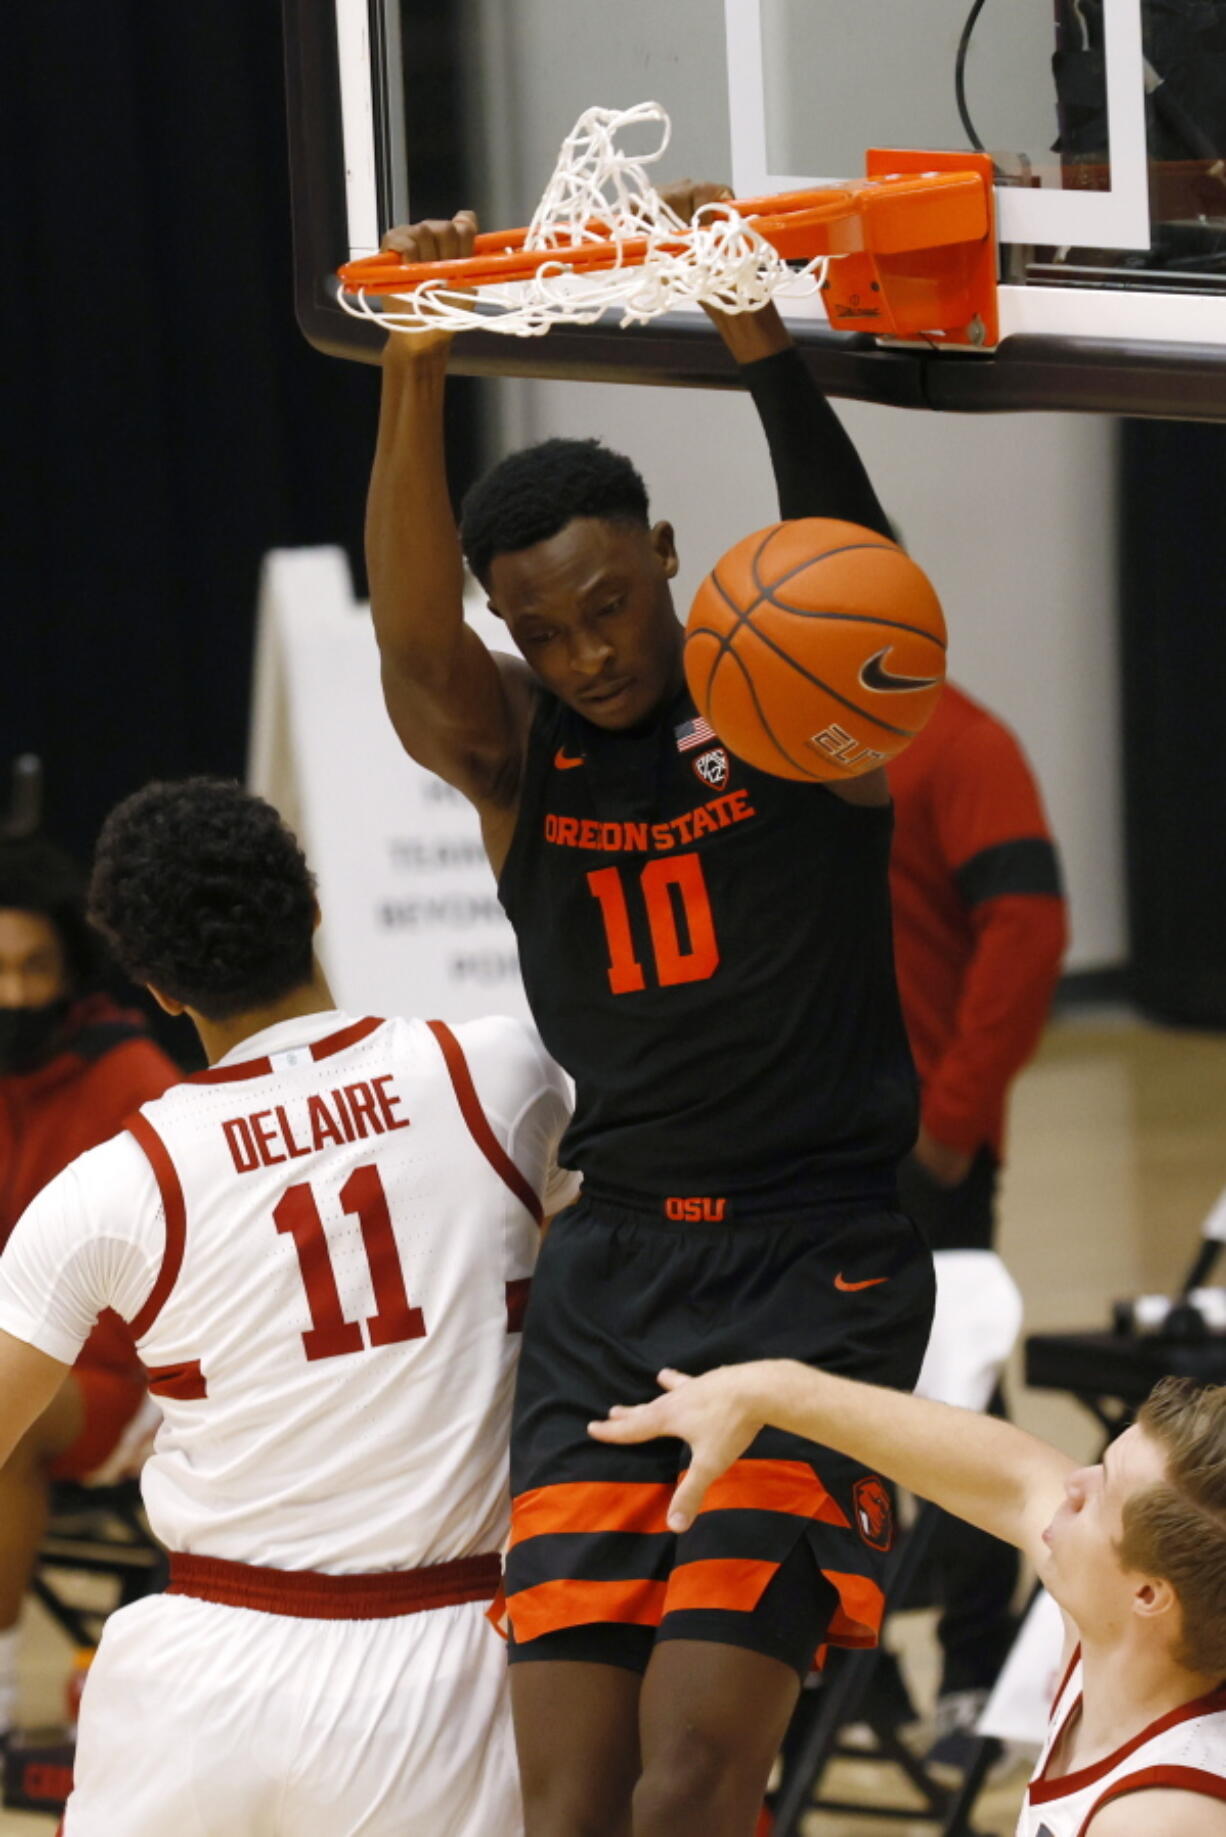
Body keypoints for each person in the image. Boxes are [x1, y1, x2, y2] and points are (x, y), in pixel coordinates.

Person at [365, 190, 934, 1837]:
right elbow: (412, 642)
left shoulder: (793, 702)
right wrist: (417, 358)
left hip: (811, 1269)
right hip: (613, 1275)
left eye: (608, 602)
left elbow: (861, 569)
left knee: (692, 1777)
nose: (588, 647)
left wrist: (753, 330)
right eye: (542, 626)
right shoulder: (515, 752)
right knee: (571, 1802)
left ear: (668, 559)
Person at [0, 777, 577, 1836]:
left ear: (155, 986)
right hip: (451, 1664)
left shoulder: (116, 1183)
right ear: (313, 907)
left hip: (206, 1678)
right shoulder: (496, 1077)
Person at [591, 1361, 1226, 1837]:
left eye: (1102, 1492)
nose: (1073, 1481)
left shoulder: (1165, 1815)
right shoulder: (1120, 1640)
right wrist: (769, 1391)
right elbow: (1007, 1476)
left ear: (1148, 1593)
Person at [888, 681, 1069, 1764]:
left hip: (918, 1146)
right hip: (807, 1139)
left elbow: (1029, 926)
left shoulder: (961, 745)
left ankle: (972, 1668)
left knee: (947, 1387)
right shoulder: (762, 745)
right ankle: (844, 1676)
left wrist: (952, 1115)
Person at [0, 835, 179, 1746]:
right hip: (18, 1361)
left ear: (70, 965)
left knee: (10, 1411)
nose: (17, 993)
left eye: (36, 966)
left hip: (124, 1382)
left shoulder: (131, 1076)